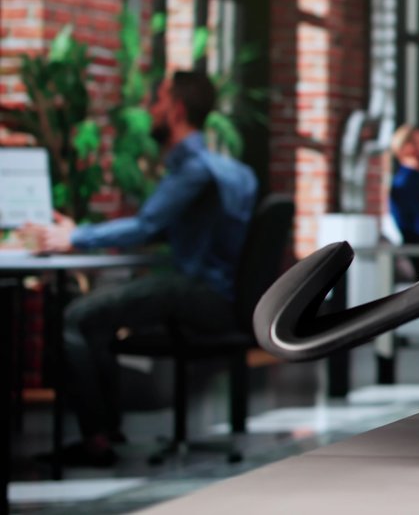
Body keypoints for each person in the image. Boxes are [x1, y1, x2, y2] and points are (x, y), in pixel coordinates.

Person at [18, 72, 257, 467]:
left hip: (195, 290)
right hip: (216, 293)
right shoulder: (232, 170)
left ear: (176, 110)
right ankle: (106, 431)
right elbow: (171, 226)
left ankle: (95, 440)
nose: (150, 111)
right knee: (96, 322)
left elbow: (146, 225)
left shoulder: (195, 170)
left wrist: (75, 236)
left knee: (76, 318)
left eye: (157, 101)